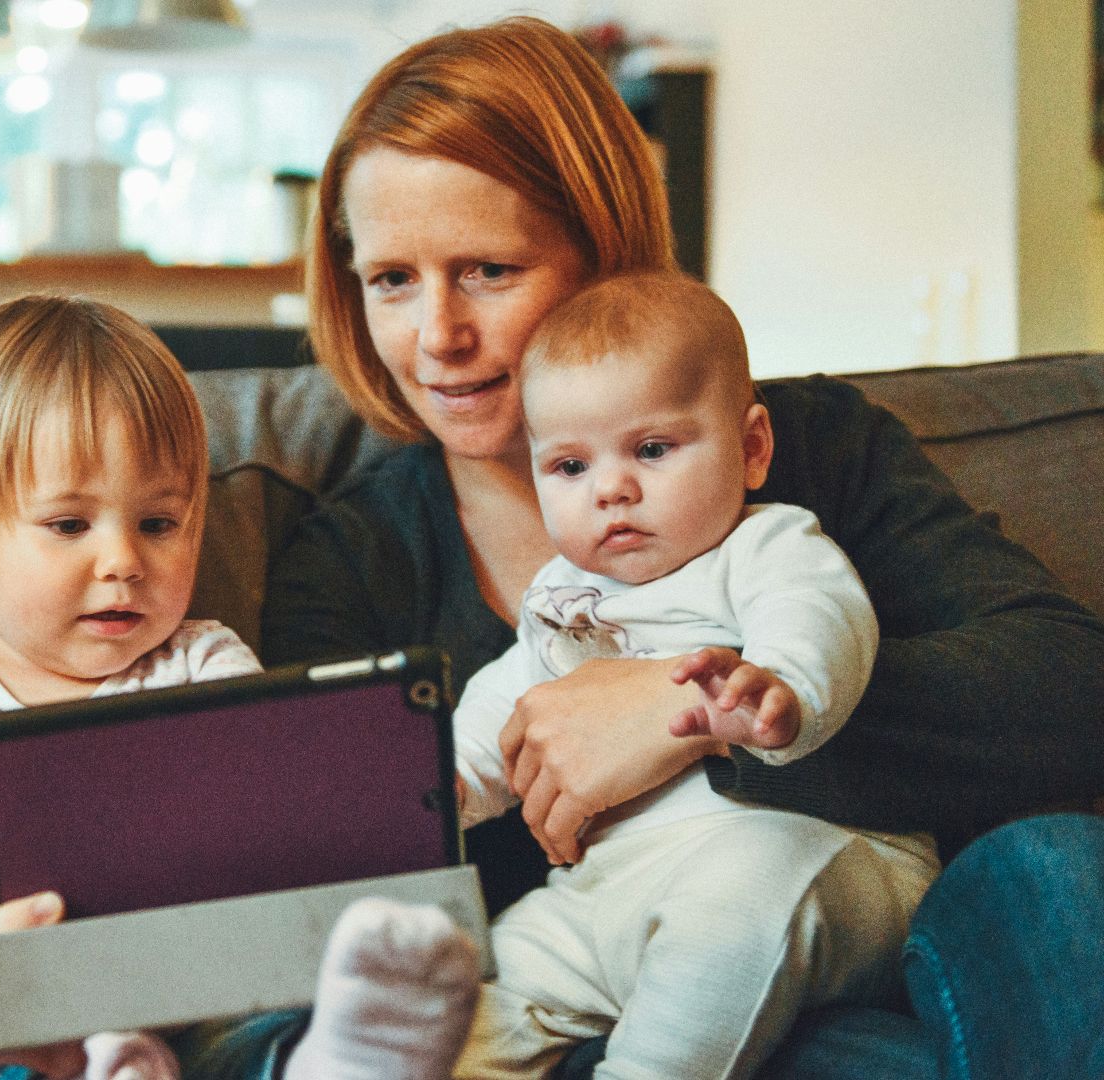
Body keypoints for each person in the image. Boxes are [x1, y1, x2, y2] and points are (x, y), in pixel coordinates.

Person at [254, 15, 1104, 1080]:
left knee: (1064, 867)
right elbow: (331, 863)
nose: (438, 336)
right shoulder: (349, 559)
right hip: (580, 1009)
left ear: (600, 254)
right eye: (391, 280)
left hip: (860, 947)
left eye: (487, 270)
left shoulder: (807, 451)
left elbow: (1072, 691)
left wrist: (689, 713)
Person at [0, 293, 484, 1080]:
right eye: (68, 525)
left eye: (158, 524)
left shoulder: (208, 667)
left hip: (195, 1011)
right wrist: (35, 981)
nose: (123, 560)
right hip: (10, 1033)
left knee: (308, 976)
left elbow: (258, 868)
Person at [442, 269, 937, 1079]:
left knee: (731, 914)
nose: (612, 489)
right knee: (463, 1005)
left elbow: (819, 617)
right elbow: (513, 701)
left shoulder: (766, 545)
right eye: (569, 467)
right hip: (609, 894)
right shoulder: (561, 598)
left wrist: (780, 689)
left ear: (751, 448)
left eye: (652, 449)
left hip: (801, 859)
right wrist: (447, 784)